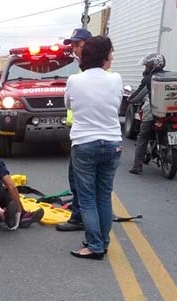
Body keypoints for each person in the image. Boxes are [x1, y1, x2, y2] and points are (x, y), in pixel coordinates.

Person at [65, 36, 123, 259]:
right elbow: (116, 103)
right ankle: (103, 242)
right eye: (111, 52)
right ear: (104, 55)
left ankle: (95, 245)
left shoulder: (74, 80)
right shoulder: (116, 79)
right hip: (112, 143)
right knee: (104, 195)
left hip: (84, 143)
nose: (113, 56)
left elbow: (68, 104)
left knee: (87, 198)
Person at [56, 28, 92, 233]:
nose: (75, 49)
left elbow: (70, 100)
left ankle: (80, 216)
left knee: (80, 180)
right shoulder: (80, 70)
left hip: (86, 135)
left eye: (78, 45)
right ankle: (82, 211)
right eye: (73, 46)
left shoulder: (85, 74)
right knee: (79, 180)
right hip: (79, 131)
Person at [128, 53, 167, 174]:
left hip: (154, 112)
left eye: (147, 66)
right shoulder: (169, 76)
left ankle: (137, 166)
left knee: (142, 137)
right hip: (171, 113)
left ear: (153, 66)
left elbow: (138, 95)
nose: (145, 69)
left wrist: (130, 99)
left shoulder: (149, 79)